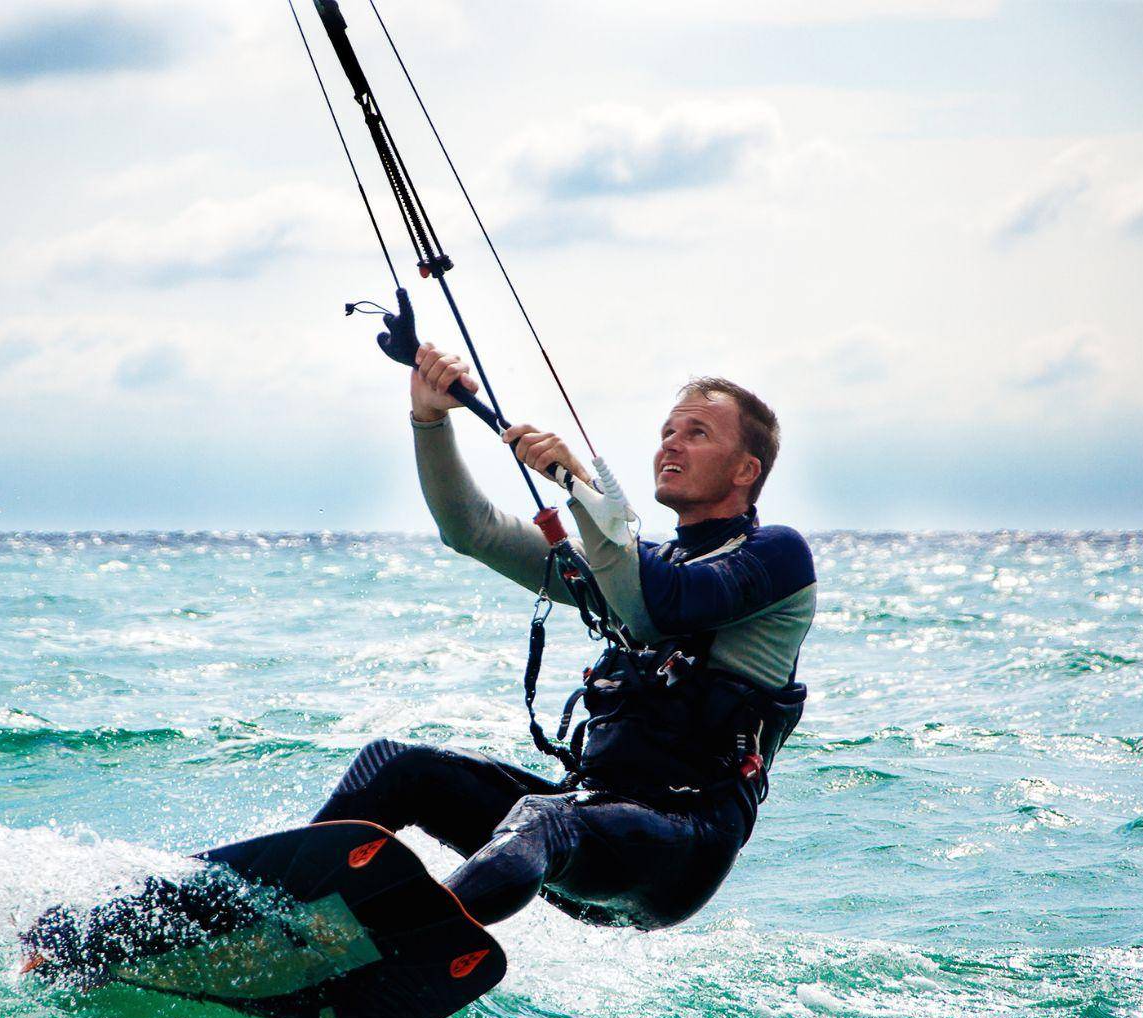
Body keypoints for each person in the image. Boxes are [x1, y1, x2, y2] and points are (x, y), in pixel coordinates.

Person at [312, 344, 816, 930]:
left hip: (682, 843)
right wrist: (430, 419)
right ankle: (265, 905)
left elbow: (661, 609)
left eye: (697, 433)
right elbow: (471, 529)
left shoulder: (777, 557)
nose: (670, 444)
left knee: (539, 820)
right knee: (397, 768)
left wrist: (580, 489)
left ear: (745, 470)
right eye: (667, 431)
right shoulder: (634, 564)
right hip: (587, 825)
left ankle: (397, 942)